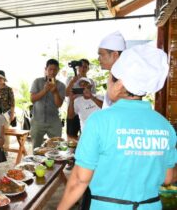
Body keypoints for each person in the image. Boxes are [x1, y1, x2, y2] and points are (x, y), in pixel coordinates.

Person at [57, 44, 176, 210]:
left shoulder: (100, 121)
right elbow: (168, 177)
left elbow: (80, 179)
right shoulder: (164, 125)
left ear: (119, 83)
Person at [30, 59, 66, 148]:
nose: (52, 72)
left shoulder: (61, 85)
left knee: (56, 147)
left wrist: (55, 92)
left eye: (55, 69)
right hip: (37, 121)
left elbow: (59, 105)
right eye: (50, 69)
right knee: (36, 147)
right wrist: (45, 90)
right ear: (46, 69)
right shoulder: (37, 82)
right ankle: (37, 162)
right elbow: (32, 99)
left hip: (54, 121)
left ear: (58, 70)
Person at [65, 59, 96, 140]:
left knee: (87, 137)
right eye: (81, 66)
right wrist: (72, 82)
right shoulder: (70, 79)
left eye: (85, 67)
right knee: (71, 137)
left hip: (86, 112)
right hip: (72, 112)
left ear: (88, 69)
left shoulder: (91, 82)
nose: (83, 69)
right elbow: (66, 94)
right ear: (77, 68)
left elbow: (93, 97)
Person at [97, 31, 126, 108]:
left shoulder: (124, 81)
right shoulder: (114, 76)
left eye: (101, 54)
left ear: (115, 55)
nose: (98, 59)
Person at [0, 70, 15, 151]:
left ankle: (5, 150)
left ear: (4, 79)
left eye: (0, 78)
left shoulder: (9, 89)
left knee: (5, 132)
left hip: (6, 114)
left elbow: (12, 103)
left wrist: (12, 114)